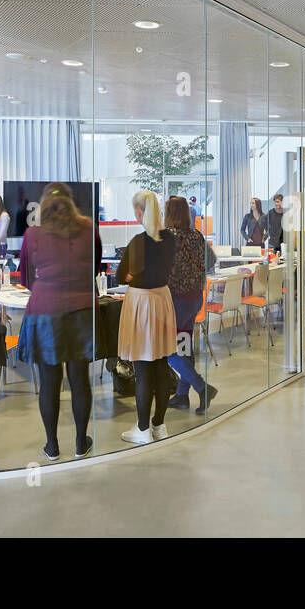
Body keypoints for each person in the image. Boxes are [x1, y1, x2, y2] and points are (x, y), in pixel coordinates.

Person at [16, 183, 102, 460]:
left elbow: (27, 276)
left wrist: (46, 289)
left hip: (45, 312)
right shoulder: (89, 228)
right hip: (82, 311)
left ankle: (52, 445)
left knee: (49, 383)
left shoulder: (33, 233)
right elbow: (96, 266)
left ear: (42, 206)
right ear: (71, 202)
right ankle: (80, 442)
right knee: (79, 380)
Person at [117, 189, 178, 444]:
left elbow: (123, 276)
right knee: (161, 364)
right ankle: (159, 425)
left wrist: (133, 275)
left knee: (142, 367)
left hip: (141, 303)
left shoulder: (138, 243)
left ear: (140, 212)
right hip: (162, 300)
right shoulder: (171, 239)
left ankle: (142, 429)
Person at [163, 196, 218, 415]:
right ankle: (182, 395)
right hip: (195, 298)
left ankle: (202, 386)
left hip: (176, 300)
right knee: (184, 343)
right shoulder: (196, 235)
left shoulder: (167, 237)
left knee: (168, 348)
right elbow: (211, 262)